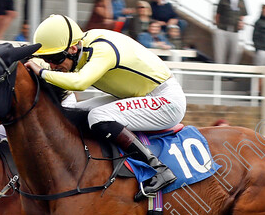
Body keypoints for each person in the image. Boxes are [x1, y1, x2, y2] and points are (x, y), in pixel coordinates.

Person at [26, 14, 187, 197]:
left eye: (54, 59)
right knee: (70, 113)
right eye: (47, 61)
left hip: (166, 101)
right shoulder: (80, 47)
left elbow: (79, 83)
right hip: (141, 95)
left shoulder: (102, 49)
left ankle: (158, 169)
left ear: (72, 48)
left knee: (97, 116)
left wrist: (42, 72)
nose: (52, 66)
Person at [213, 0, 247, 64]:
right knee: (220, 52)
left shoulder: (241, 0)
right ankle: (219, 71)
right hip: (223, 28)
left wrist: (241, 23)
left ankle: (230, 73)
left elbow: (243, 15)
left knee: (235, 52)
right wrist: (218, 24)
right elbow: (217, 14)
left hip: (235, 30)